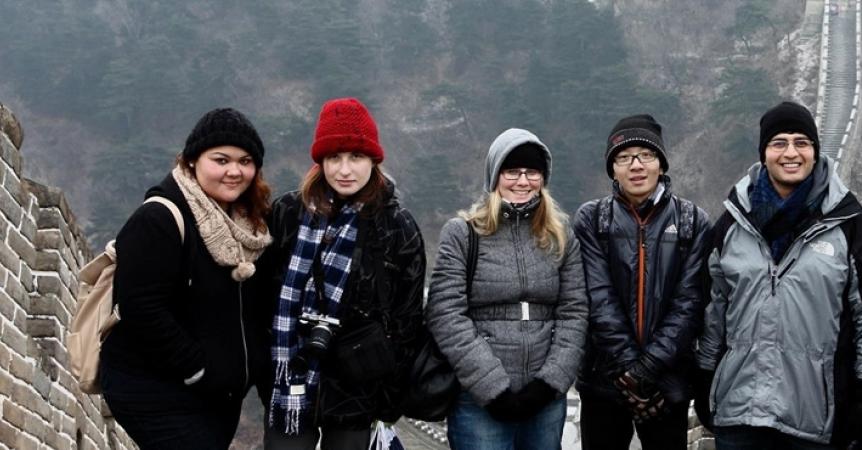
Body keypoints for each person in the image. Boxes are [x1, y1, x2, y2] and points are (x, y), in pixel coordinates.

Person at [694, 101, 862, 450]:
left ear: (816, 152)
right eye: (779, 143)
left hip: (815, 416)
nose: (791, 152)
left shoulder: (849, 225)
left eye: (802, 142)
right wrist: (704, 376)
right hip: (739, 412)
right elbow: (714, 309)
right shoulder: (732, 223)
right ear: (764, 154)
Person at [100, 107, 274, 449]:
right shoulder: (159, 218)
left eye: (246, 161)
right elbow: (140, 308)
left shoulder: (249, 226)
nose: (235, 171)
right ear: (193, 160)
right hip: (156, 389)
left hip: (218, 398)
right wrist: (197, 369)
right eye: (221, 160)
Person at [261, 98, 426, 449]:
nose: (344, 169)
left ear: (373, 161)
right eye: (334, 157)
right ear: (320, 161)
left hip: (358, 388)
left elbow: (408, 317)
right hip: (288, 382)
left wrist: (388, 391)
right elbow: (263, 295)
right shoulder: (288, 213)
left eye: (356, 157)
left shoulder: (395, 225)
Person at [426, 128, 588, 450]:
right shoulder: (463, 234)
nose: (523, 181)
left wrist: (550, 382)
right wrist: (492, 387)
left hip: (545, 398)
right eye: (512, 171)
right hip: (479, 399)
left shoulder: (560, 234)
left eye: (532, 172)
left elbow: (575, 311)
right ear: (495, 176)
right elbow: (445, 314)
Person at [572, 114, 711, 450]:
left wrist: (647, 370)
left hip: (667, 382)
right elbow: (597, 297)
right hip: (604, 380)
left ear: (660, 164)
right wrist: (630, 374)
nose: (636, 165)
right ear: (613, 169)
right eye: (623, 157)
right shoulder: (592, 219)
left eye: (645, 155)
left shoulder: (693, 221)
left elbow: (689, 303)